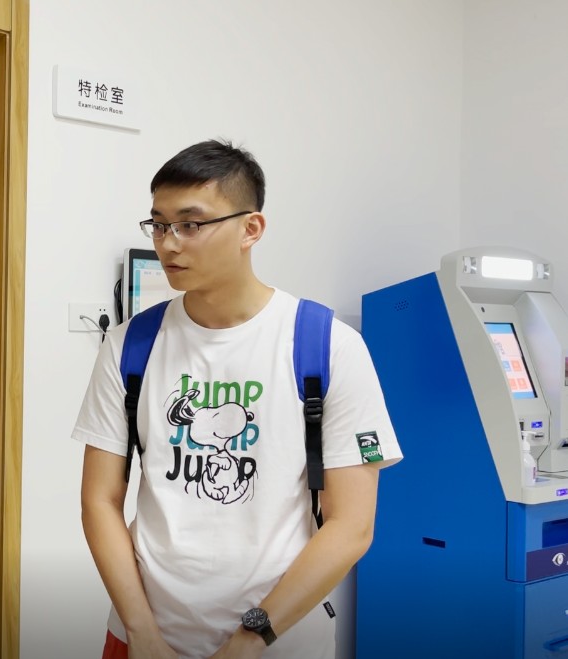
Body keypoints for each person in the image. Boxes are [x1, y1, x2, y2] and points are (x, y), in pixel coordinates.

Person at [72, 140, 402, 659]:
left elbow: (351, 526)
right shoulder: (129, 345)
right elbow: (99, 500)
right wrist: (142, 632)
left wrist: (250, 639)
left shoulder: (327, 346)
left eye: (191, 224)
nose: (168, 244)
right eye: (158, 224)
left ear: (251, 229)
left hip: (280, 640)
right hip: (144, 635)